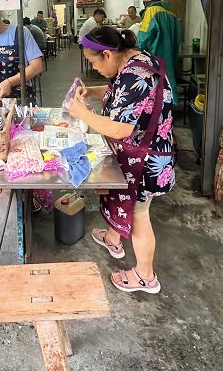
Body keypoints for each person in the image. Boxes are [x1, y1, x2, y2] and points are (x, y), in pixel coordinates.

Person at [68, 26, 176, 295]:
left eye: (94, 62)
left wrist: (81, 112)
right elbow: (123, 93)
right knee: (120, 198)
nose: (94, 68)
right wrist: (93, 92)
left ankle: (145, 276)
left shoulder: (134, 74)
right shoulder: (137, 60)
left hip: (146, 159)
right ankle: (114, 238)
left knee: (139, 215)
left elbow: (119, 128)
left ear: (107, 54)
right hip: (140, 152)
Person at [139, 0, 182, 104]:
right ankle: (170, 104)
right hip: (170, 53)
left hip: (155, 52)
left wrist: (139, 48)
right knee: (169, 78)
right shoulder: (172, 15)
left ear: (147, 3)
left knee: (156, 81)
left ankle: (158, 108)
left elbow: (144, 35)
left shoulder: (151, 11)